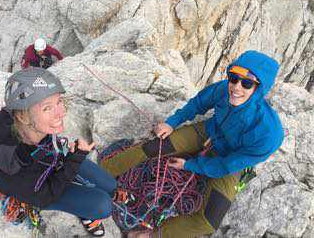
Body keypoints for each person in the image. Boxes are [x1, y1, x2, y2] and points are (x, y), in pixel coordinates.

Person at [100, 50, 284, 238]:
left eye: (246, 83)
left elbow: (227, 165)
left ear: (259, 89)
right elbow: (197, 104)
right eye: (233, 78)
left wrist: (190, 165)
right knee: (154, 147)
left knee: (209, 221)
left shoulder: (268, 135)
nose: (236, 87)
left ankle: (151, 235)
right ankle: (101, 173)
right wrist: (172, 122)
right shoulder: (223, 89)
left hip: (229, 158)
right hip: (208, 132)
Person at [0, 67, 125, 237]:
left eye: (59, 101)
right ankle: (86, 214)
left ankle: (108, 193)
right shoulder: (20, 175)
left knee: (110, 185)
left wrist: (69, 156)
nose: (61, 113)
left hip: (46, 159)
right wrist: (74, 160)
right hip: (41, 191)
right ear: (23, 117)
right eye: (47, 108)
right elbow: (47, 195)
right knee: (102, 205)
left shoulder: (26, 126)